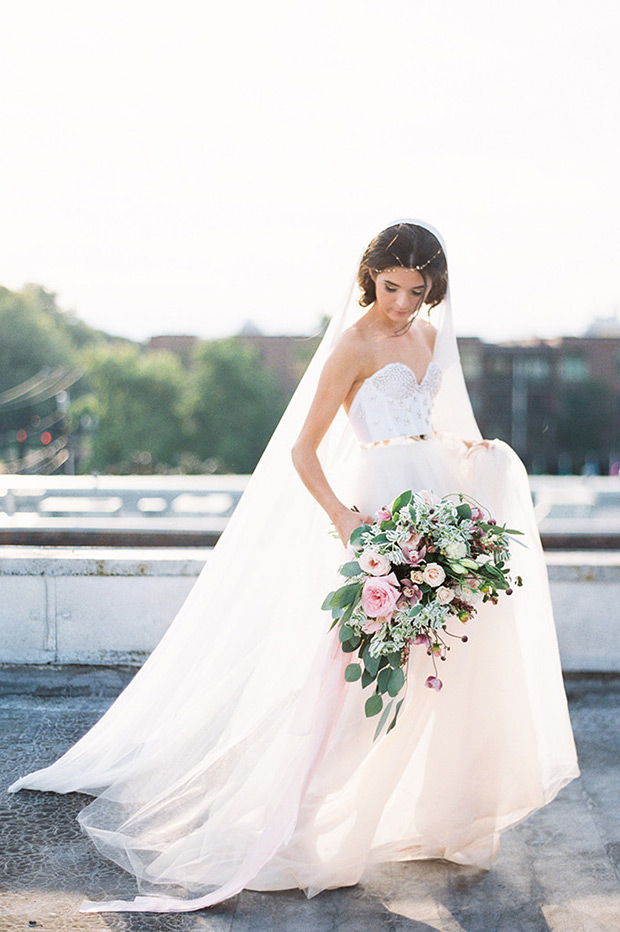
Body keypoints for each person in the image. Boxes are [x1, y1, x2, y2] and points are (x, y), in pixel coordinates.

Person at [8, 221, 579, 914]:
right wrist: (344, 519)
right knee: (356, 673)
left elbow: (429, 426)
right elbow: (304, 451)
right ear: (369, 275)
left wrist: (470, 457)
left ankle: (441, 815)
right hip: (379, 509)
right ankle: (306, 825)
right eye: (391, 286)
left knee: (442, 668)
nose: (401, 302)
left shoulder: (429, 337)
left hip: (434, 505)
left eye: (416, 290)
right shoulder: (354, 344)